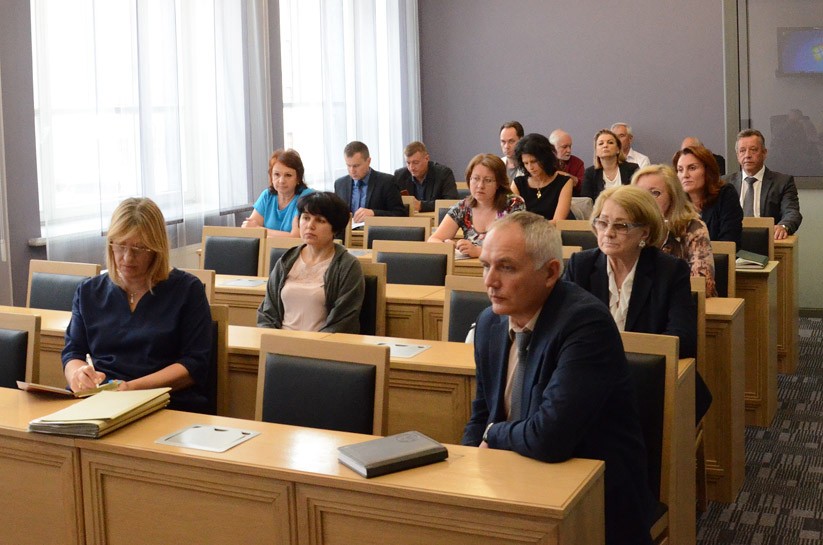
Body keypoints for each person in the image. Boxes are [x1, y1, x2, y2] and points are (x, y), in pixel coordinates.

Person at [462, 211, 655, 545]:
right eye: (485, 266)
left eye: (506, 267)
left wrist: (494, 434)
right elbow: (482, 412)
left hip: (591, 499)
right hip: (513, 479)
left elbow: (549, 436)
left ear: (551, 272)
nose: (490, 281)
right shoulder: (489, 323)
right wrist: (465, 472)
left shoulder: (586, 323)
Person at [563, 185, 711, 423]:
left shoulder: (670, 271)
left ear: (644, 232)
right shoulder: (580, 265)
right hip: (589, 378)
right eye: (602, 222)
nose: (608, 233)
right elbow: (561, 328)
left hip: (648, 384)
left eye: (621, 226)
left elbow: (683, 338)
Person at [62, 198, 212, 413]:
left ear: (157, 249)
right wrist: (78, 375)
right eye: (120, 245)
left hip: (165, 402)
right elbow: (73, 352)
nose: (127, 257)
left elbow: (195, 364)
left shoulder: (187, 290)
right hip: (104, 401)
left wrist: (132, 388)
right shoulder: (88, 292)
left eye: (139, 248)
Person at [258, 192, 365, 333]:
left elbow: (343, 322)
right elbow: (267, 313)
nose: (310, 226)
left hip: (323, 344)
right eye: (306, 218)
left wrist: (311, 345)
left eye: (320, 220)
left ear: (335, 228)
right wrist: (271, 339)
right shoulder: (286, 260)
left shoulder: (347, 265)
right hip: (280, 341)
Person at [632, 165, 717, 297]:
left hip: (684, 303)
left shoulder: (693, 227)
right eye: (640, 194)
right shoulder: (629, 229)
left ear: (673, 196)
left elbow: (703, 285)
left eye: (654, 193)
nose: (646, 200)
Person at [429, 153, 525, 258]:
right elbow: (433, 240)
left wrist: (480, 252)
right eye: (475, 178)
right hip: (470, 267)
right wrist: (448, 246)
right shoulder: (462, 207)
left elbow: (519, 247)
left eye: (488, 180)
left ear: (498, 184)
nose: (480, 185)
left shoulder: (514, 204)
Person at [722, 128, 802, 240]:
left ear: (764, 153)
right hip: (732, 241)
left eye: (753, 150)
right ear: (737, 155)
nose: (747, 155)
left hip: (767, 241)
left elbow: (792, 212)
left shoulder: (782, 182)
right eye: (742, 150)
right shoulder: (724, 183)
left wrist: (783, 226)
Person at [674, 145, 743, 246]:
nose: (685, 175)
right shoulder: (675, 201)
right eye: (680, 170)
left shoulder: (726, 194)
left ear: (707, 171)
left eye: (692, 168)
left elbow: (728, 242)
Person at [242, 148, 313, 237]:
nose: (281, 181)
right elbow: (249, 229)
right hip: (269, 246)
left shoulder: (307, 197)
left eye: (288, 175)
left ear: (298, 178)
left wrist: (259, 230)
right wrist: (256, 229)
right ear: (271, 176)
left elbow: (296, 237)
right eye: (277, 174)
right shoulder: (267, 196)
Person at [333, 141, 405, 223]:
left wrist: (374, 213)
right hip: (348, 230)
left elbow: (400, 214)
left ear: (368, 161)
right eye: (348, 165)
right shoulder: (340, 184)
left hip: (375, 230)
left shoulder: (387, 182)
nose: (352, 170)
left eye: (356, 166)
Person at [511, 133, 574, 221]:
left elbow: (558, 221)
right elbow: (513, 219)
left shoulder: (564, 182)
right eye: (526, 163)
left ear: (545, 158)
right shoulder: (518, 184)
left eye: (534, 161)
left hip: (554, 229)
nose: (530, 167)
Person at [393, 141, 459, 212]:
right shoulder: (400, 175)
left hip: (437, 218)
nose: (411, 168)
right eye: (408, 163)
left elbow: (451, 203)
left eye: (415, 162)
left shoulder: (443, 173)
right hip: (410, 218)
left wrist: (422, 206)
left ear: (427, 159)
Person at [580, 129, 640, 202]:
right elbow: (586, 202)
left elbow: (638, 197)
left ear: (618, 149)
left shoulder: (632, 169)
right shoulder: (590, 173)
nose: (605, 145)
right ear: (596, 151)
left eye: (610, 142)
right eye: (601, 143)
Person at [549, 129, 585, 193]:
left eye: (570, 146)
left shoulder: (578, 163)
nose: (569, 150)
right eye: (564, 147)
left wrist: (569, 178)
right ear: (552, 148)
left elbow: (584, 187)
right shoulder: (543, 162)